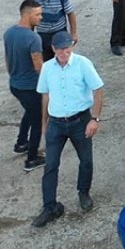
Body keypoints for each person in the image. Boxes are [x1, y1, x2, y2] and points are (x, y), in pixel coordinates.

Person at [32, 32, 104, 227]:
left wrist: (95, 119)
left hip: (80, 120)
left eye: (68, 48)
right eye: (61, 49)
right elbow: (45, 96)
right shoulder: (47, 68)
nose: (65, 53)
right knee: (50, 165)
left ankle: (83, 192)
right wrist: (45, 124)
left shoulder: (83, 64)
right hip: (56, 122)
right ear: (54, 49)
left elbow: (98, 90)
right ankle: (49, 206)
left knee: (86, 160)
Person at [5, 0, 46, 171]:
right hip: (30, 87)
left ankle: (21, 142)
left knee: (29, 112)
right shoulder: (33, 38)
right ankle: (32, 158)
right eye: (37, 14)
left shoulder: (9, 33)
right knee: (37, 121)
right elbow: (38, 66)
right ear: (27, 15)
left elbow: (7, 59)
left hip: (15, 85)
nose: (41, 17)